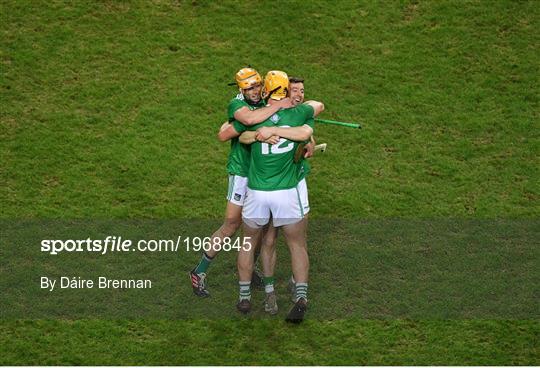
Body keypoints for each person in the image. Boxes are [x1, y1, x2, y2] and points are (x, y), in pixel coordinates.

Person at [220, 70, 324, 323]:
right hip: (287, 193)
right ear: (287, 92)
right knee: (297, 244)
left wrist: (261, 132)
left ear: (266, 91)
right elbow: (307, 128)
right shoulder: (301, 114)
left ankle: (245, 295)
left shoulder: (255, 117)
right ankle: (301, 296)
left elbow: (238, 135)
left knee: (250, 242)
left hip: (257, 193)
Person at [189, 67, 292, 297]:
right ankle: (199, 271)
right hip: (242, 173)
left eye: (257, 86)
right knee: (232, 225)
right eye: (249, 88)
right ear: (240, 89)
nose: (255, 91)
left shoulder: (267, 97)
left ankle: (251, 268)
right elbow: (231, 129)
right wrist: (273, 109)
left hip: (263, 175)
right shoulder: (237, 104)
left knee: (263, 227)